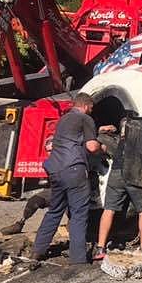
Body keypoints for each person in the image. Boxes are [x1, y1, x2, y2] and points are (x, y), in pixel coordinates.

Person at [31, 93, 106, 264]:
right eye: (91, 109)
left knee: (55, 210)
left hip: (55, 170)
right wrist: (103, 147)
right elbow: (91, 146)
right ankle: (78, 260)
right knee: (79, 213)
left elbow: (74, 137)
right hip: (74, 169)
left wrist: (99, 130)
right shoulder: (86, 118)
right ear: (86, 106)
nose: (91, 112)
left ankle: (37, 250)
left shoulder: (64, 120)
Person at [92, 118, 142, 259]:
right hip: (137, 175)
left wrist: (101, 130)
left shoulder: (118, 142)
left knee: (109, 209)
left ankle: (101, 247)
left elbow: (96, 140)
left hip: (117, 173)